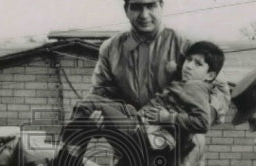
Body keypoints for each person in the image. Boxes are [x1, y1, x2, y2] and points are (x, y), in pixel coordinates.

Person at [88, 0, 231, 166]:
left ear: (161, 6)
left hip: (180, 151)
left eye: (151, 5)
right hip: (132, 146)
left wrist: (197, 121)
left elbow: (220, 89)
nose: (144, 14)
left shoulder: (185, 44)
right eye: (136, 7)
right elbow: (101, 93)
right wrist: (101, 116)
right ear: (126, 10)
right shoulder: (111, 49)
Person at [68, 40, 226, 153]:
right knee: (94, 104)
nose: (189, 65)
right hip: (139, 125)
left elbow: (203, 122)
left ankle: (70, 152)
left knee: (89, 103)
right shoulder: (187, 83)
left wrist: (167, 118)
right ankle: (72, 149)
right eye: (189, 60)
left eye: (198, 64)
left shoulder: (195, 86)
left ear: (210, 75)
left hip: (142, 134)